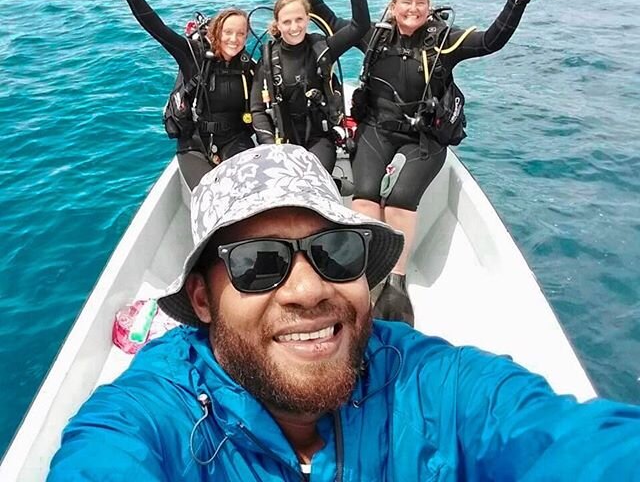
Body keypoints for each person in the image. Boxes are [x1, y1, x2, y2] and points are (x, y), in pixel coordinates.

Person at [48, 144, 640, 481]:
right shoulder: (151, 414)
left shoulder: (433, 381)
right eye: (259, 263)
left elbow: (561, 441)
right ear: (203, 300)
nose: (308, 291)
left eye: (335, 252)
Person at [290, 0, 554, 326]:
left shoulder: (444, 42)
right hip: (377, 129)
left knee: (398, 201)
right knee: (365, 196)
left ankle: (396, 279)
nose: (413, 9)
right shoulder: (375, 38)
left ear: (429, 8)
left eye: (420, 3)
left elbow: (492, 40)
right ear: (393, 5)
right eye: (406, 2)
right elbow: (331, 19)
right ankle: (373, 271)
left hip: (424, 137)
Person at [101, 0, 255, 190]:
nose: (233, 39)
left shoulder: (249, 67)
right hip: (193, 145)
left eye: (240, 34)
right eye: (228, 32)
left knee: (252, 189)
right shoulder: (192, 56)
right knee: (208, 197)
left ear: (246, 37)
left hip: (235, 141)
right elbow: (157, 28)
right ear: (216, 33)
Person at [250, 0, 370, 174]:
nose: (294, 27)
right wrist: (271, 148)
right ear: (277, 24)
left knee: (310, 178)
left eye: (299, 19)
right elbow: (257, 109)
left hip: (320, 140)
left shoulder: (323, 48)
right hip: (281, 141)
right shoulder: (268, 58)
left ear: (308, 19)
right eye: (287, 22)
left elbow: (360, 26)